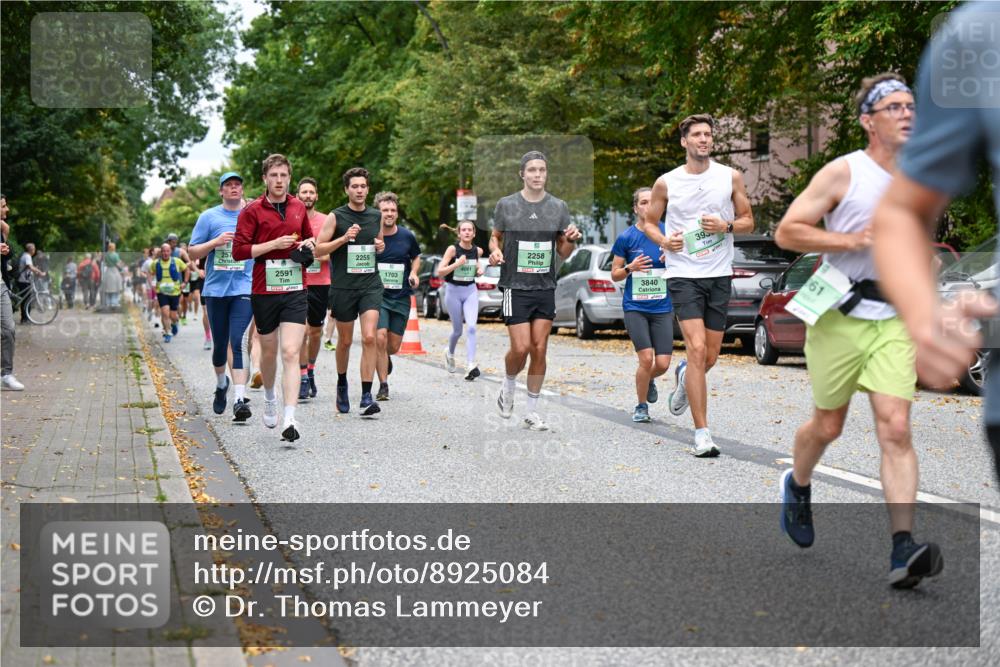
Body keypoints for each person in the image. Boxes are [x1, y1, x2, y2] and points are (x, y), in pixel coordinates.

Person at [774, 73, 943, 589]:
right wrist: (851, 239)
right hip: (839, 316)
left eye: (911, 105)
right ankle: (797, 484)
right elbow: (787, 231)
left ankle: (902, 547)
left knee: (895, 426)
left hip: (893, 318)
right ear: (869, 121)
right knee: (828, 427)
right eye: (893, 107)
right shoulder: (843, 172)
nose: (907, 114)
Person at [873, 1, 1000, 485]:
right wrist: (924, 315)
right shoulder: (977, 33)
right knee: (848, 422)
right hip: (850, 313)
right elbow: (902, 212)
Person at [637, 114, 755, 457]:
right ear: (684, 142)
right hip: (683, 274)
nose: (704, 139)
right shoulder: (666, 182)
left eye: (708, 134)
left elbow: (748, 221)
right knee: (698, 347)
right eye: (697, 135)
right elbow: (649, 222)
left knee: (710, 356)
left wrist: (726, 226)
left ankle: (687, 375)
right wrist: (664, 241)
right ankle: (702, 434)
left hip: (718, 274)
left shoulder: (729, 176)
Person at [489, 151, 582, 431]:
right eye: (532, 170)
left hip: (544, 286)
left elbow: (562, 251)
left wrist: (571, 240)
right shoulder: (506, 205)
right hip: (515, 286)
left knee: (540, 348)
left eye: (542, 170)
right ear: (522, 174)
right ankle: (507, 385)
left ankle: (531, 410)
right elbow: (495, 237)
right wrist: (494, 251)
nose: (538, 175)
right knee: (522, 347)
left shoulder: (558, 207)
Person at [232, 154, 315, 441]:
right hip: (264, 290)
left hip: (295, 288)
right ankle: (269, 396)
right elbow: (239, 251)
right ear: (265, 179)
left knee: (291, 352)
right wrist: (272, 245)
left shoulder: (297, 207)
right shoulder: (252, 210)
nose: (279, 180)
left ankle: (290, 419)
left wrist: (309, 243)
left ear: (289, 178)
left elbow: (309, 236)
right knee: (268, 352)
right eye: (274, 175)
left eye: (283, 175)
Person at [314, 167, 385, 418]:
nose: (359, 190)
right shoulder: (336, 216)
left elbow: (378, 243)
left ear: (368, 189)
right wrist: (343, 239)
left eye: (363, 186)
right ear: (347, 189)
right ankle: (342, 382)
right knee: (344, 341)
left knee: (369, 337)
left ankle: (366, 395)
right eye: (354, 186)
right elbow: (319, 250)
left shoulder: (376, 216)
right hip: (343, 287)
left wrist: (380, 246)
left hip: (370, 285)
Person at [189, 171, 256, 422]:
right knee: (220, 347)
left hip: (243, 288)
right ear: (221, 191)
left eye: (238, 184)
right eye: (228, 185)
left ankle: (240, 399)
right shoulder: (209, 217)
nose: (234, 188)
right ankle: (221, 384)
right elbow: (193, 251)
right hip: (216, 290)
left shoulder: (251, 214)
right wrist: (215, 243)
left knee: (237, 341)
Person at [611, 187, 674, 423]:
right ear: (636, 208)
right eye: (644, 202)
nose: (649, 206)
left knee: (664, 363)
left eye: (653, 202)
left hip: (662, 307)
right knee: (646, 359)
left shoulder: (669, 233)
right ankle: (641, 406)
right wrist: (630, 267)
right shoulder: (626, 237)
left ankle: (647, 379)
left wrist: (674, 260)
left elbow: (688, 266)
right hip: (635, 308)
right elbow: (614, 274)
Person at [372, 191, 422, 400]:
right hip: (377, 296)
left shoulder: (406, 235)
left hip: (400, 296)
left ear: (397, 213)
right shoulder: (371, 235)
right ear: (378, 212)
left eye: (393, 210)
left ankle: (386, 357)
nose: (389, 213)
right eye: (385, 210)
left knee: (392, 346)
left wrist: (413, 272)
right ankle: (383, 385)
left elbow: (416, 256)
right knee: (379, 338)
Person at [295, 177, 329, 401]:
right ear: (297, 196)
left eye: (311, 192)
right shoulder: (292, 220)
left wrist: (313, 252)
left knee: (315, 332)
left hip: (321, 283)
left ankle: (311, 369)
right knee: (303, 332)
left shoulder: (326, 221)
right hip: (297, 283)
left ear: (316, 196)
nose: (307, 196)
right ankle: (303, 377)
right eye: (304, 192)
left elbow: (330, 253)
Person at [437, 219, 482, 381]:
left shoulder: (478, 251)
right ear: (459, 233)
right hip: (453, 291)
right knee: (457, 330)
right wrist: (456, 264)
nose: (467, 232)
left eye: (470, 230)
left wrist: (479, 269)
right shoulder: (452, 249)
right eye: (464, 230)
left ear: (474, 233)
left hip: (470, 291)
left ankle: (470, 365)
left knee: (471, 327)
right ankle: (449, 353)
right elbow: (440, 272)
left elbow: (476, 266)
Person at [0, 194, 23, 391]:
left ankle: (6, 374)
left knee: (9, 329)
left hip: (0, 286)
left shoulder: (2, 229)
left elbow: (8, 255)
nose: (7, 210)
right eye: (4, 206)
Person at [152, 242, 189, 342]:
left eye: (167, 251)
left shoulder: (177, 261)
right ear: (161, 252)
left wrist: (185, 282)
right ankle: (168, 332)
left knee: (173, 315)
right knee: (165, 312)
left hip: (174, 292)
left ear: (170, 252)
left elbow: (186, 270)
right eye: (163, 251)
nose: (165, 253)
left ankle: (174, 323)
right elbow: (150, 272)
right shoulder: (156, 263)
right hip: (162, 292)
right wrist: (152, 284)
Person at [16, 243, 45, 323]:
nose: (34, 251)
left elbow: (29, 268)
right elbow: (29, 267)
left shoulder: (26, 256)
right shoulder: (27, 256)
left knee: (25, 300)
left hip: (24, 280)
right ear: (31, 250)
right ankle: (25, 319)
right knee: (26, 300)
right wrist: (39, 272)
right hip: (24, 281)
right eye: (34, 249)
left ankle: (25, 318)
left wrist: (35, 270)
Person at [102, 241, 123, 309]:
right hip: (114, 271)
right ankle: (114, 303)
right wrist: (121, 268)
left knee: (108, 288)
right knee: (115, 288)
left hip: (108, 271)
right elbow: (118, 264)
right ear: (114, 248)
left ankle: (108, 303)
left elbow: (104, 262)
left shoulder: (106, 255)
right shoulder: (115, 255)